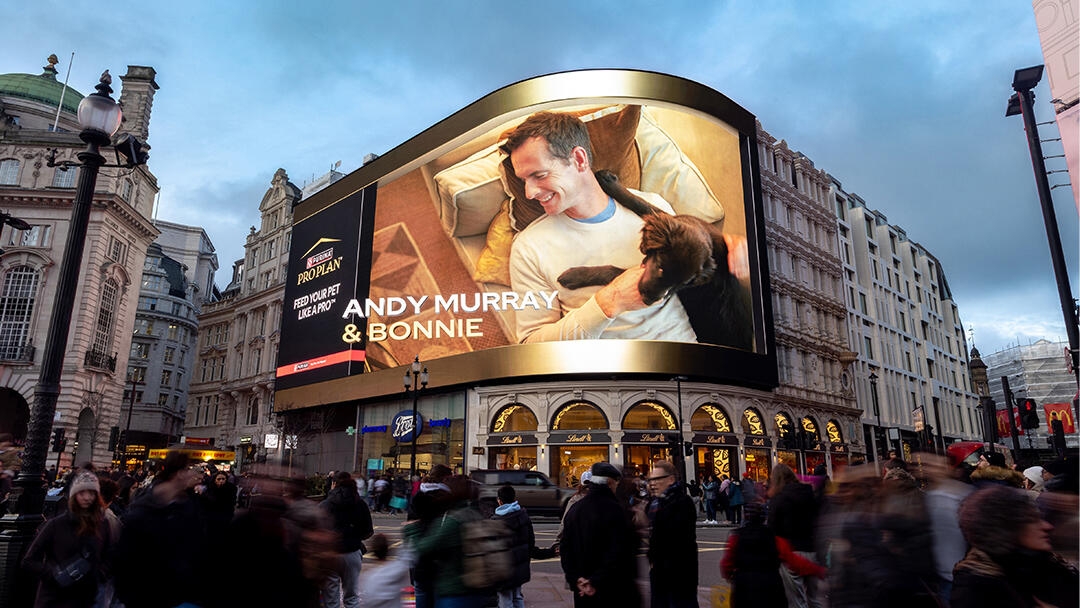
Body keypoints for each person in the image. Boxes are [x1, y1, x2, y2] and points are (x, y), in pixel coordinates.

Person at [501, 111, 747, 344]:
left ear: (579, 159)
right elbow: (532, 345)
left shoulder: (655, 207)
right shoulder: (528, 248)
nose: (529, 193)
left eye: (539, 175)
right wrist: (608, 303)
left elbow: (693, 274)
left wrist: (735, 253)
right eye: (524, 180)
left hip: (690, 355)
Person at [952, 484, 1079, 608]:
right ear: (1005, 529)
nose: (1047, 526)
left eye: (1040, 518)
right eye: (1031, 520)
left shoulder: (1044, 564)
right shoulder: (977, 586)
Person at [113, 451, 206, 608]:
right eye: (188, 469)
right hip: (144, 594)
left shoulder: (187, 506)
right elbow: (125, 558)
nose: (191, 474)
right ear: (179, 473)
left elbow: (197, 550)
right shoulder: (143, 509)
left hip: (176, 594)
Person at [22, 471, 113, 608]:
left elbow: (109, 554)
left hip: (86, 597)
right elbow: (29, 561)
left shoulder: (102, 524)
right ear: (74, 495)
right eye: (82, 493)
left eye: (92, 493)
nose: (87, 497)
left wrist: (99, 573)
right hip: (55, 598)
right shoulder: (56, 525)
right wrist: (54, 574)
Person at [560, 462, 640, 608]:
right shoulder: (616, 511)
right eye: (615, 483)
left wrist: (576, 579)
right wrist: (595, 581)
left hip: (582, 591)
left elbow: (565, 548)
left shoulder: (576, 509)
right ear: (609, 483)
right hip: (611, 589)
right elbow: (619, 552)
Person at [403, 474, 488, 608]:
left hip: (454, 590)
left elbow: (424, 547)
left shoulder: (453, 520)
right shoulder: (476, 514)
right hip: (476, 587)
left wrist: (412, 530)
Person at [720, 503, 825, 608]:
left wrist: (729, 575)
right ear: (764, 518)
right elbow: (794, 561)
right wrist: (818, 570)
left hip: (744, 587)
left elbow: (727, 563)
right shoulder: (774, 538)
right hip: (770, 587)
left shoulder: (736, 538)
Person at [766, 464, 821, 608]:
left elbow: (772, 528)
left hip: (791, 553)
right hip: (813, 550)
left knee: (797, 601)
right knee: (815, 599)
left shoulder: (779, 498)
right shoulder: (810, 494)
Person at [645, 461, 698, 608]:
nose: (653, 484)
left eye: (657, 479)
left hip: (679, 574)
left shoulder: (682, 502)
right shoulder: (655, 503)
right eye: (651, 480)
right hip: (659, 572)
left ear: (671, 479)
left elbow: (675, 538)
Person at [321, 471, 374, 608]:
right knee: (351, 597)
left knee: (330, 598)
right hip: (352, 551)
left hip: (330, 552)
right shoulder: (360, 504)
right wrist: (354, 536)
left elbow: (317, 528)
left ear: (333, 484)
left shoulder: (325, 505)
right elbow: (368, 531)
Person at [493, 484, 535, 608]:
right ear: (514, 498)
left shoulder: (495, 520)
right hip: (519, 567)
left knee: (505, 599)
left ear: (499, 501)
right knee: (517, 596)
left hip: (502, 569)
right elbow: (531, 543)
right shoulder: (523, 516)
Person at [357, 533, 412, 608]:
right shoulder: (397, 569)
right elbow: (408, 555)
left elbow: (368, 602)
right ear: (388, 549)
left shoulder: (368, 578)